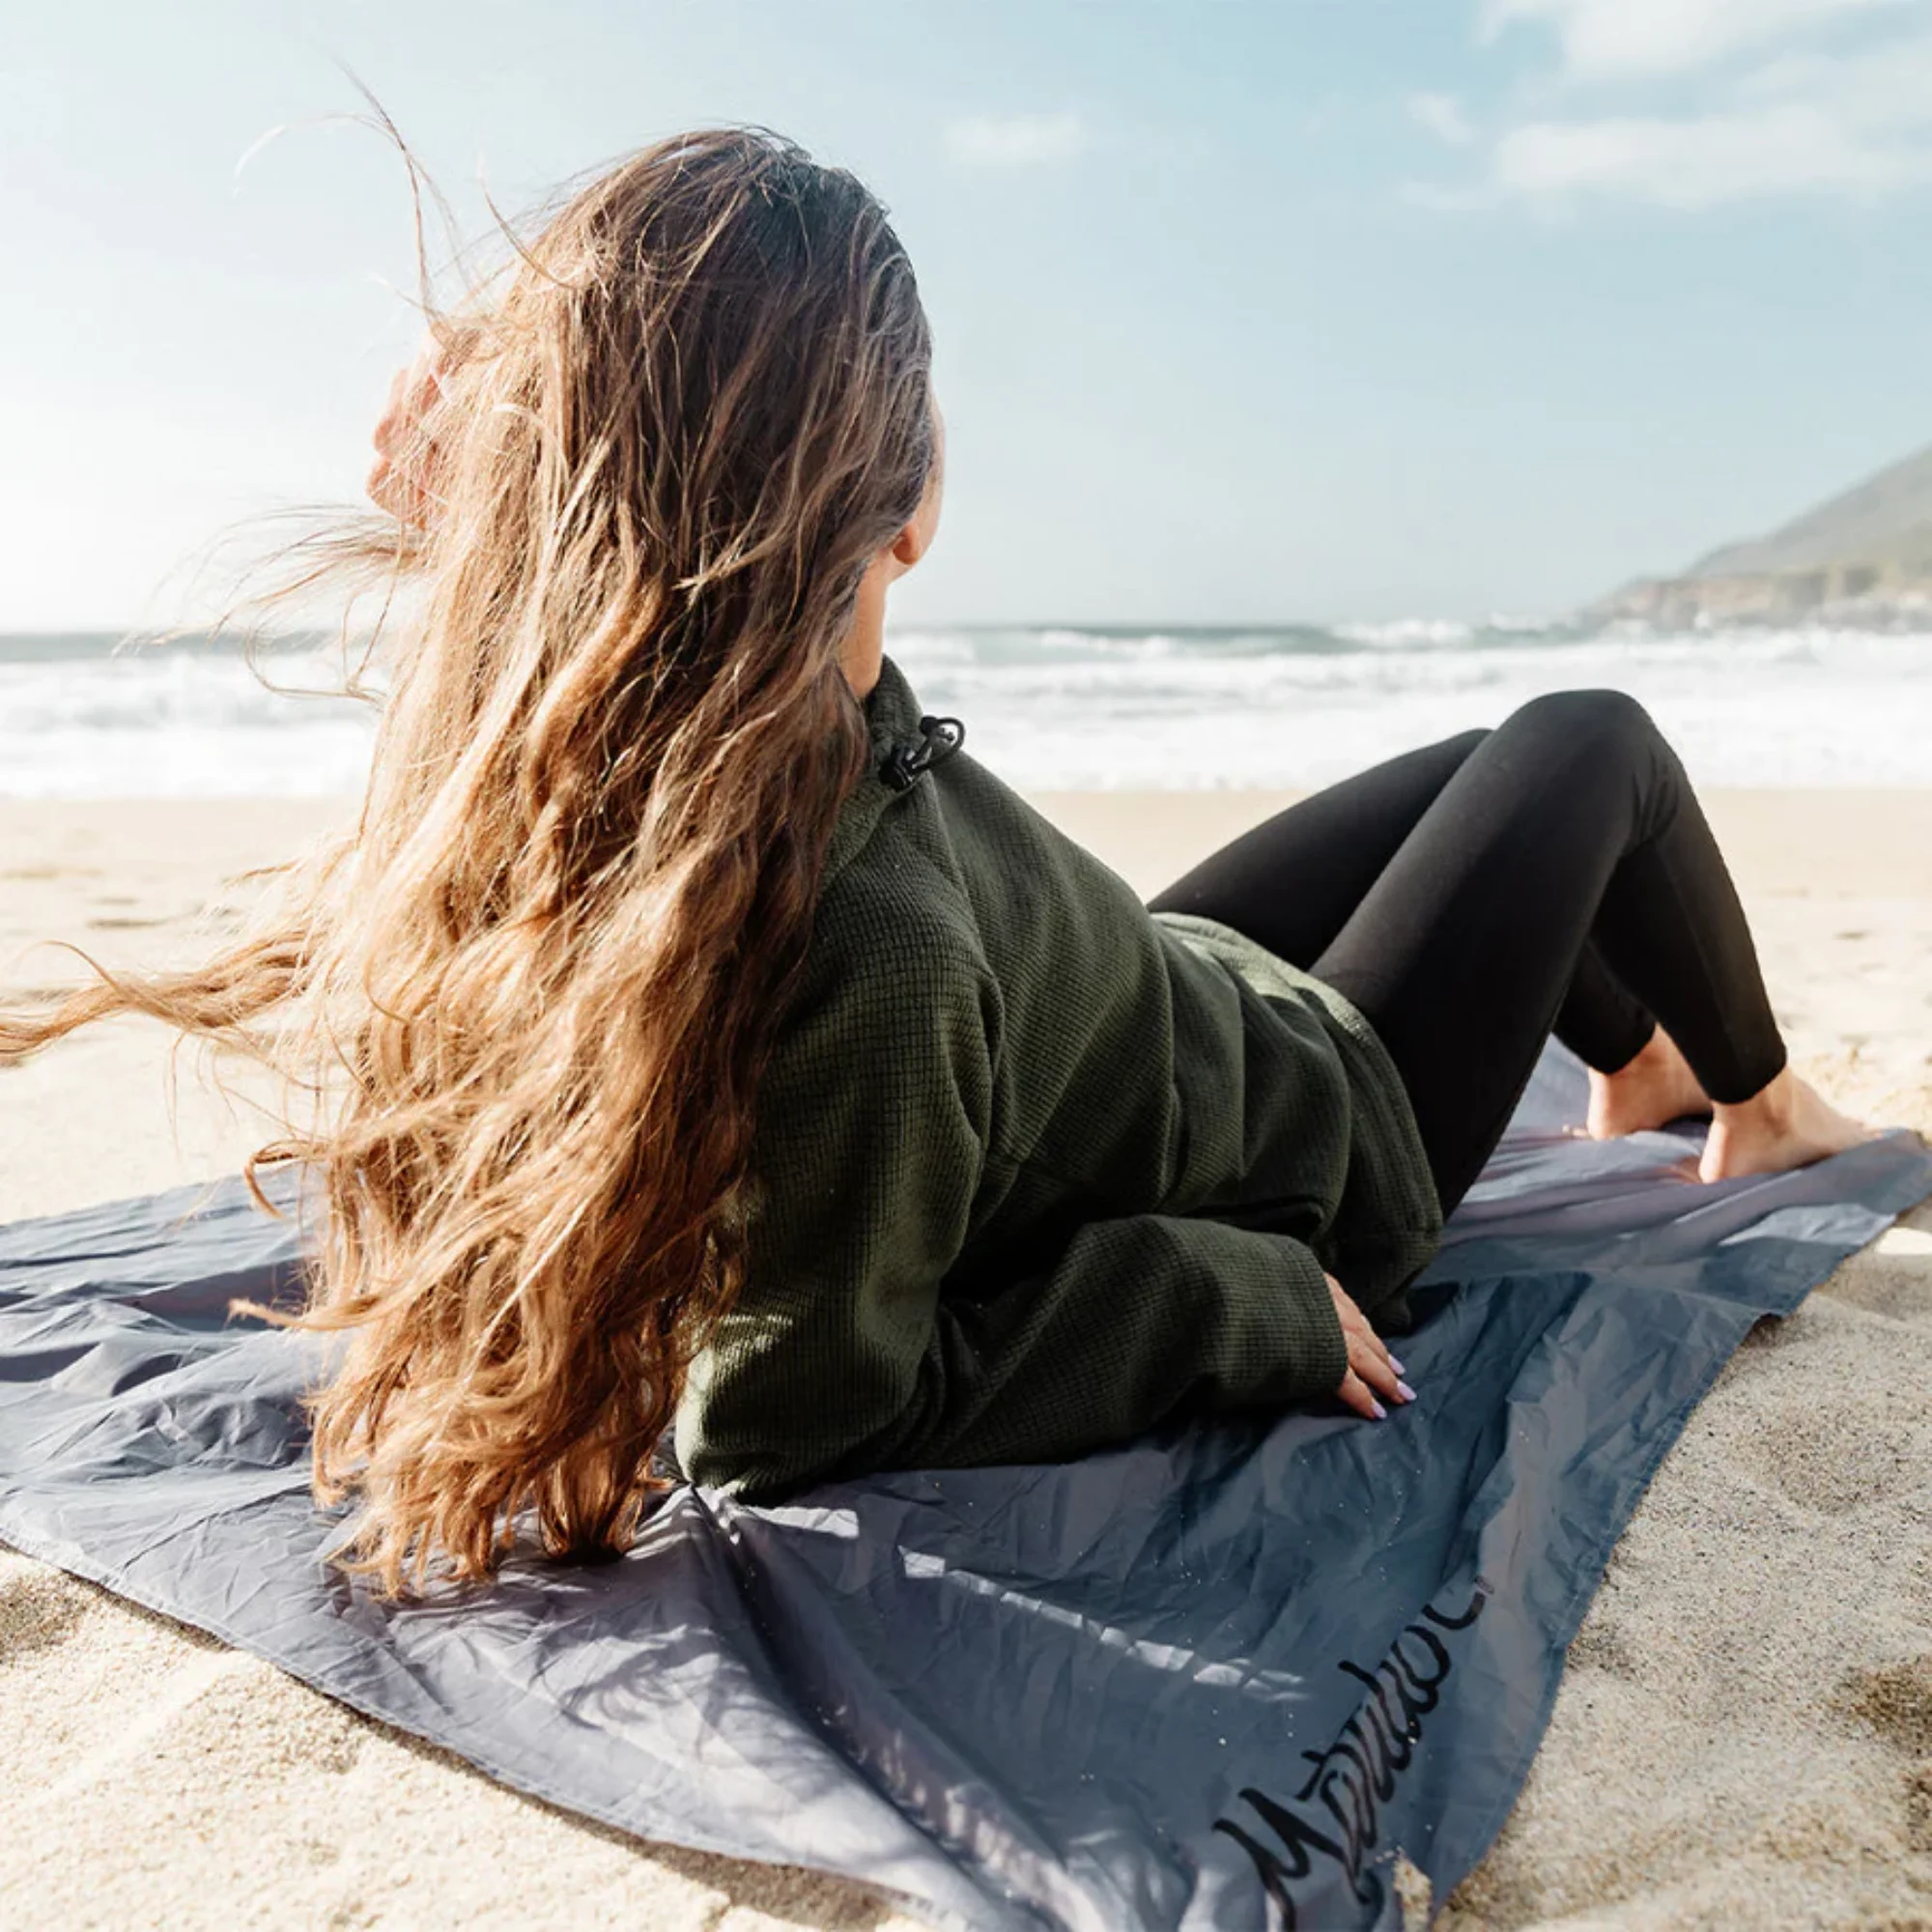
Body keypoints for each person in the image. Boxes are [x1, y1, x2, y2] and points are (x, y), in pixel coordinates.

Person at [2, 127, 1873, 1595]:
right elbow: (794, 1411)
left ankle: (1632, 1064)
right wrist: (1229, 1303)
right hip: (1319, 1151)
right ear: (908, 510)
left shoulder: (681, 736)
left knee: (1481, 776)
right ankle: (1757, 1104)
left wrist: (495, 456)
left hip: (1113, 1003)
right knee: (1585, 742)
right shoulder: (875, 947)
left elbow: (623, 563)